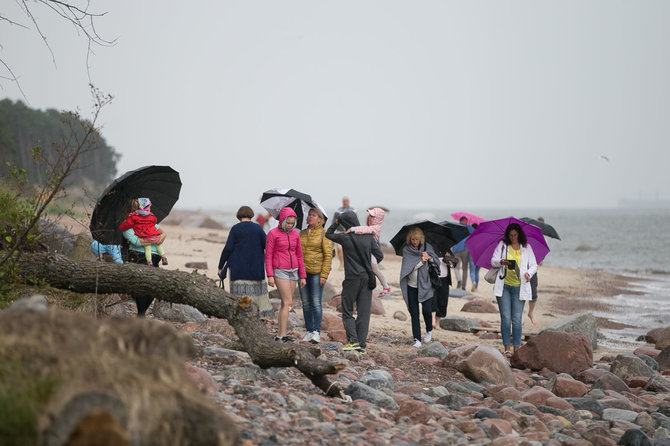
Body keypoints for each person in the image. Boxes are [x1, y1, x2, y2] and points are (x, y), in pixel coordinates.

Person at [326, 210, 383, 354]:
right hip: (367, 279)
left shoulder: (345, 237)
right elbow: (379, 255)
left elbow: (328, 234)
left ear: (345, 223)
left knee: (347, 311)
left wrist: (336, 223)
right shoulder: (369, 237)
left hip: (351, 279)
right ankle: (362, 345)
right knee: (364, 313)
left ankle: (354, 342)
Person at [490, 223, 537, 359]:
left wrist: (529, 273)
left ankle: (517, 348)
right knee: (505, 318)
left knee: (516, 319)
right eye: (510, 235)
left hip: (519, 287)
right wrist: (501, 262)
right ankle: (507, 349)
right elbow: (493, 261)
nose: (513, 237)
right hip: (504, 286)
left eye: (515, 235)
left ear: (519, 235)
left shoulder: (527, 247)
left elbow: (534, 265)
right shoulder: (502, 246)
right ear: (507, 235)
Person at [218, 206, 272, 318]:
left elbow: (228, 248)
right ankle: (257, 317)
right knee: (255, 297)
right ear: (251, 215)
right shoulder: (258, 228)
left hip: (238, 269)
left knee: (240, 298)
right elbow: (267, 245)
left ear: (238, 216)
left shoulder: (235, 229)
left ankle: (241, 318)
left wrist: (220, 266)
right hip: (256, 269)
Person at [265, 207, 306, 342]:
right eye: (287, 222)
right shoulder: (273, 234)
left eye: (292, 223)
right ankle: (280, 335)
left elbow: (299, 255)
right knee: (288, 302)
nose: (289, 225)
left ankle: (281, 335)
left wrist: (303, 275)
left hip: (293, 270)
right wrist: (270, 275)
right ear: (282, 221)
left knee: (285, 304)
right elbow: (268, 255)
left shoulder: (295, 234)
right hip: (279, 270)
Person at [120, 198, 167, 317]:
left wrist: (162, 236)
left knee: (154, 287)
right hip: (139, 257)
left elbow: (163, 232)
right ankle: (141, 314)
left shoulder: (149, 221)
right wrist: (153, 239)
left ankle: (141, 313)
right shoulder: (128, 225)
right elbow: (136, 242)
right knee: (141, 286)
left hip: (155, 257)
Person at [399, 227, 440, 348]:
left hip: (426, 286)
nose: (414, 242)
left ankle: (429, 330)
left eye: (417, 239)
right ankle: (417, 339)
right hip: (411, 286)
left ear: (420, 238)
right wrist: (421, 261)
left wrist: (430, 258)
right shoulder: (407, 250)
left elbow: (437, 263)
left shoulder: (427, 247)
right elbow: (407, 268)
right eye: (412, 239)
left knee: (427, 311)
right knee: (414, 313)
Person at [299, 208, 333, 343]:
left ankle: (316, 332)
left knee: (315, 302)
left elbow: (328, 256)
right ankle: (308, 331)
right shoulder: (301, 233)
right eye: (309, 215)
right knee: (305, 303)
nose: (310, 217)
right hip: (302, 273)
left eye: (314, 215)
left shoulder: (324, 234)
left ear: (320, 219)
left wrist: (324, 275)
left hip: (317, 273)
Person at [347, 207, 391, 297]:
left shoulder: (376, 228)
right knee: (369, 271)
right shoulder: (371, 226)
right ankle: (370, 288)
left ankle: (386, 286)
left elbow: (365, 230)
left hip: (372, 253)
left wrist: (353, 229)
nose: (369, 218)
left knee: (375, 270)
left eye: (372, 216)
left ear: (378, 218)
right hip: (367, 252)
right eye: (369, 216)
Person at [118, 197, 168, 266]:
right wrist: (156, 239)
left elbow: (162, 232)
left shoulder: (130, 225)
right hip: (148, 255)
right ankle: (163, 257)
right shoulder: (147, 221)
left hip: (147, 255)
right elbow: (137, 242)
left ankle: (158, 258)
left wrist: (163, 235)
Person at [526, 217, 545, 325]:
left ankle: (530, 313)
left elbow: (542, 255)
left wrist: (540, 260)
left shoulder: (540, 239)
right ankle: (521, 315)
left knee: (533, 293)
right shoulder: (524, 238)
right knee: (521, 293)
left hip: (532, 269)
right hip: (522, 269)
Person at [433, 251, 457, 329]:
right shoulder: (431, 249)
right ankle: (432, 320)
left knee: (443, 301)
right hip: (433, 278)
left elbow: (454, 264)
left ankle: (437, 322)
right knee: (433, 299)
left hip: (445, 279)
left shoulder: (447, 250)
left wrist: (449, 258)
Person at [332, 196, 356, 270]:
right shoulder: (338, 210)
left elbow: (355, 222)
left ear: (348, 202)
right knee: (339, 249)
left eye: (346, 201)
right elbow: (334, 221)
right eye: (344, 201)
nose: (345, 202)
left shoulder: (353, 210)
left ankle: (347, 264)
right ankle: (341, 264)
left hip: (349, 232)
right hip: (339, 232)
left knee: (348, 250)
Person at [451, 216, 471, 290]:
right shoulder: (468, 227)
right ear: (464, 220)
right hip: (464, 250)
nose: (467, 222)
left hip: (456, 249)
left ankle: (460, 281)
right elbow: (475, 235)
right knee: (464, 269)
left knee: (456, 268)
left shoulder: (454, 227)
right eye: (466, 221)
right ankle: (463, 285)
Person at [468, 223, 481, 292]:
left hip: (472, 255)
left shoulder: (471, 236)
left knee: (472, 271)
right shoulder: (481, 236)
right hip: (479, 256)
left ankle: (473, 281)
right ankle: (476, 287)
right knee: (477, 272)